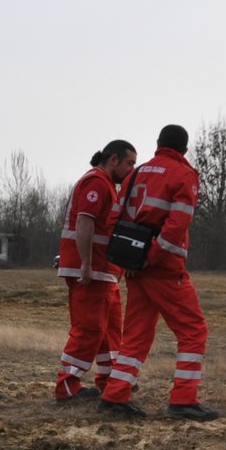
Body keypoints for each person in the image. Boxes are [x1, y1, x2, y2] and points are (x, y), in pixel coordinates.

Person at [98, 124, 219, 420]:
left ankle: (114, 396)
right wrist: (154, 256)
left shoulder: (137, 172)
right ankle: (183, 400)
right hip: (163, 267)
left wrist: (134, 259)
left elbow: (116, 215)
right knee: (194, 331)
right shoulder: (184, 175)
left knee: (136, 335)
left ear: (157, 144)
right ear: (185, 150)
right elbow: (177, 225)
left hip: (134, 265)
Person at [54, 140, 136, 400]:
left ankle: (110, 380)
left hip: (105, 271)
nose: (131, 170)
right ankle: (67, 385)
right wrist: (86, 265)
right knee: (89, 329)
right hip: (92, 271)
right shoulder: (97, 183)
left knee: (110, 332)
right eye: (129, 163)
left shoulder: (108, 185)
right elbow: (84, 222)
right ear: (113, 159)